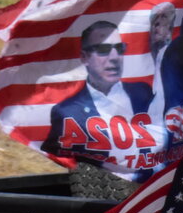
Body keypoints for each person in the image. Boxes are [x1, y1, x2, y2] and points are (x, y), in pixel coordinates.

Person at [41, 20, 154, 160]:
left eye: (119, 48)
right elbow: (57, 160)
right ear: (84, 57)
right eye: (103, 50)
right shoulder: (67, 112)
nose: (114, 58)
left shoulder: (143, 93)